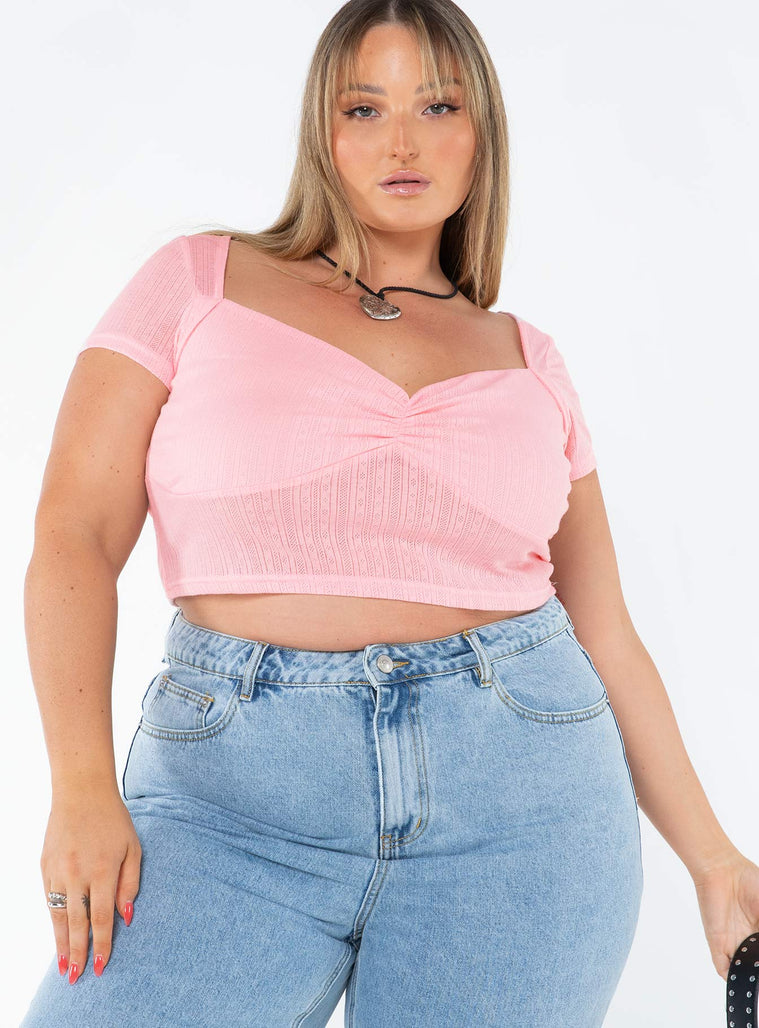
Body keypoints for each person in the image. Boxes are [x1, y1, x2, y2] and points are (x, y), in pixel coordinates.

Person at [21, 1, 759, 1025]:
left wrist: (714, 860)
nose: (401, 141)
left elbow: (605, 631)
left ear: (482, 133)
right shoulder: (199, 280)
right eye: (363, 108)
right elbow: (74, 532)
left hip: (524, 811)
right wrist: (79, 785)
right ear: (320, 133)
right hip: (227, 804)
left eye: (438, 105)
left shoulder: (528, 359)